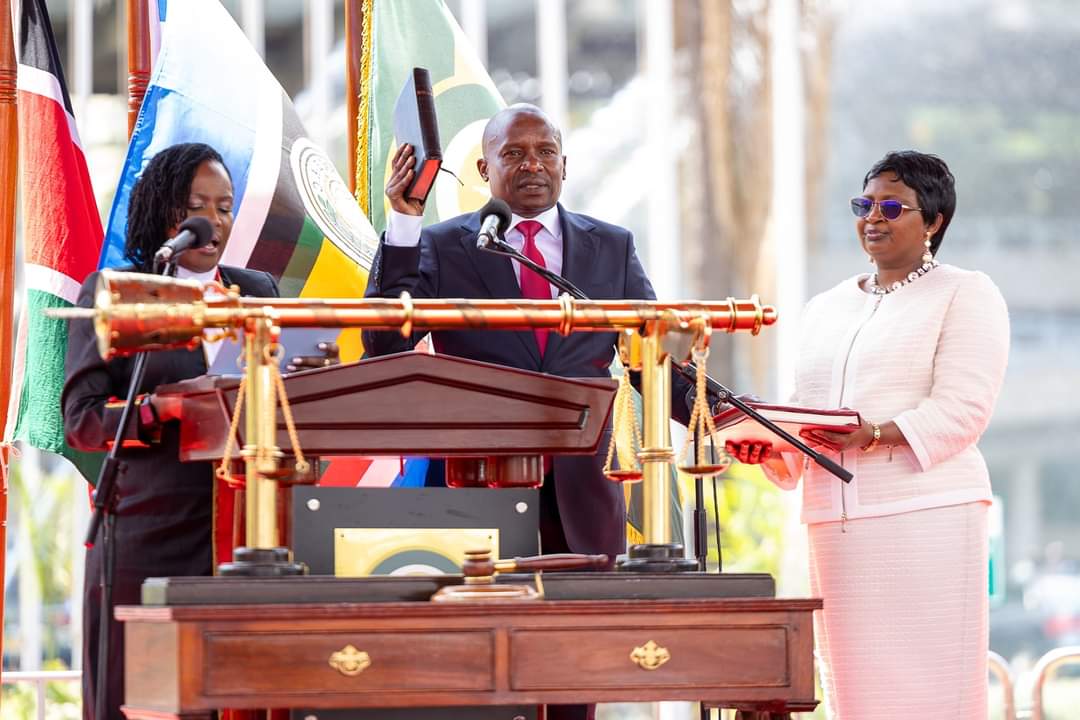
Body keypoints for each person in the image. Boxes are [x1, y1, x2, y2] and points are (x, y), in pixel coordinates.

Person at [729, 151, 1009, 718]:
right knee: (857, 693)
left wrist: (876, 433)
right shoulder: (825, 308)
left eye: (891, 207)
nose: (872, 218)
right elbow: (806, 417)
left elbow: (964, 409)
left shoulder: (966, 292)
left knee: (934, 691)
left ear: (933, 221)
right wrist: (770, 449)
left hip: (928, 517)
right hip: (835, 525)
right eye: (864, 205)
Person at [364, 103, 693, 564]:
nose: (533, 164)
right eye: (514, 152)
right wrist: (404, 223)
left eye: (546, 151)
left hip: (585, 491)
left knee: (583, 632)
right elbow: (384, 344)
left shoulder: (612, 246)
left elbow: (653, 357)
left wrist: (719, 414)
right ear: (484, 168)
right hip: (476, 483)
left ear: (564, 164)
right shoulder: (442, 245)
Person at [63, 143, 280, 720]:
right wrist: (162, 412)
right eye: (198, 207)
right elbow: (82, 422)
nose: (215, 222)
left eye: (225, 207)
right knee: (137, 698)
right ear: (167, 213)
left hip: (244, 537)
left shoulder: (257, 291)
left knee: (233, 696)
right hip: (146, 534)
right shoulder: (116, 292)